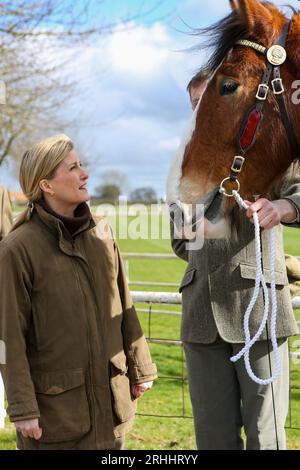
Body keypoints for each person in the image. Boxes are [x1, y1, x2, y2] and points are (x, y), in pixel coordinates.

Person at [0, 134, 157, 450]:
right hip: (54, 418)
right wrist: (22, 408)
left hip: (112, 406)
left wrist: (141, 366)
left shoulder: (102, 233)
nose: (85, 173)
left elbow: (123, 302)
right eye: (73, 167)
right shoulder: (17, 249)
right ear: (46, 185)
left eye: (82, 165)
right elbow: (8, 337)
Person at [170, 73, 300, 450]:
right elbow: (180, 243)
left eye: (208, 103)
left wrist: (283, 207)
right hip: (200, 319)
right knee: (213, 440)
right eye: (195, 105)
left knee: (267, 436)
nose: (201, 112)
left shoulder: (270, 146)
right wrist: (195, 230)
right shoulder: (185, 163)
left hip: (260, 312)